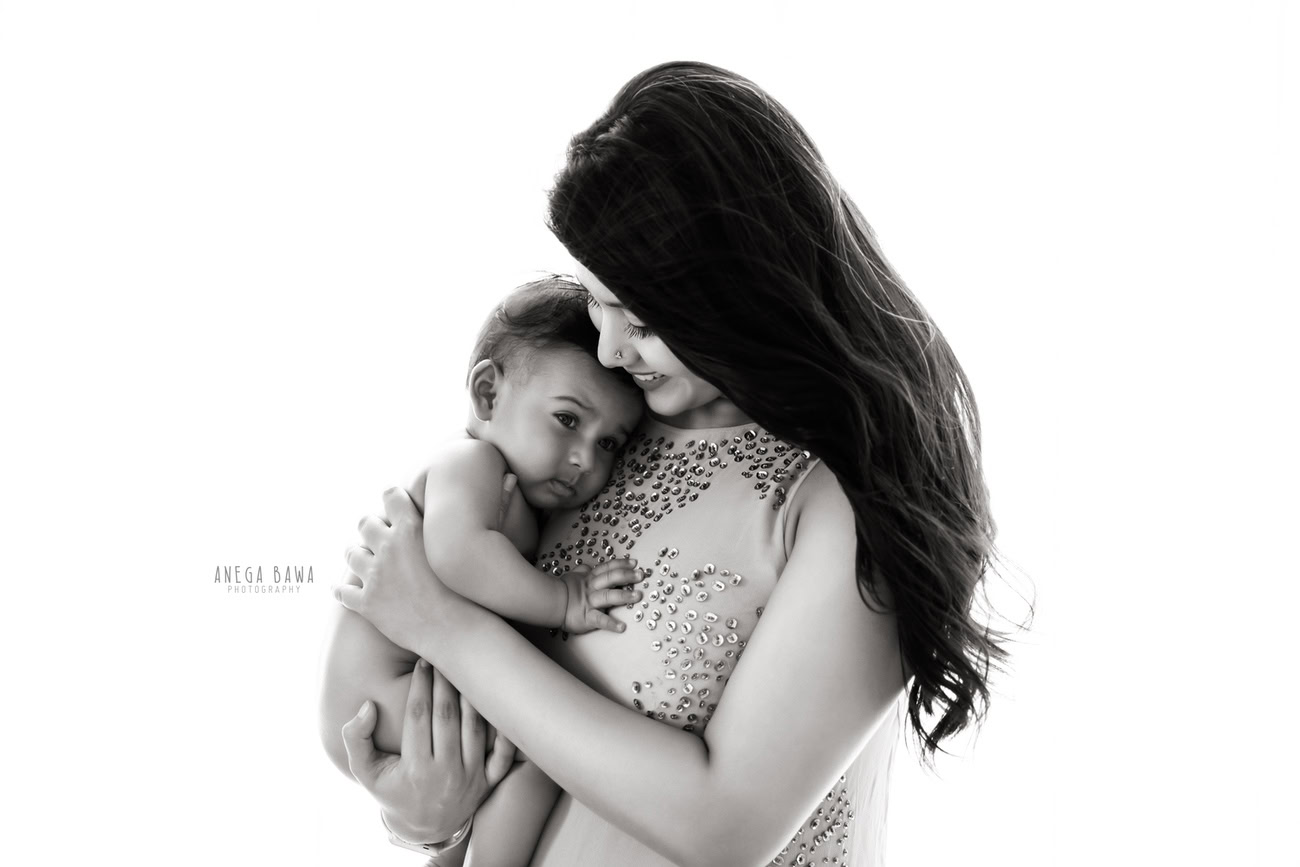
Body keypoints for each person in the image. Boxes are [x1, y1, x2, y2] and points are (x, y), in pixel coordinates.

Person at [334, 61, 1010, 867]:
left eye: (641, 318)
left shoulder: (847, 495)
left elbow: (723, 826)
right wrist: (425, 813)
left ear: (737, 288)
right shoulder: (603, 433)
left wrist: (441, 626)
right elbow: (515, 745)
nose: (611, 346)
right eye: (595, 300)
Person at [318, 277, 644, 863]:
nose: (585, 458)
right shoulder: (470, 461)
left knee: (512, 760)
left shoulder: (518, 486)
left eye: (610, 444)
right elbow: (459, 555)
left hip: (405, 691)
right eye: (569, 421)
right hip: (377, 699)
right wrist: (562, 600)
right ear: (489, 395)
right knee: (540, 753)